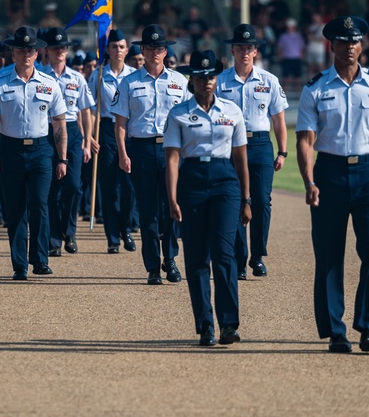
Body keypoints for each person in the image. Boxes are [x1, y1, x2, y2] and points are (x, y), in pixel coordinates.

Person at [296, 15, 369, 354]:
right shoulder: (316, 87)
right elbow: (306, 140)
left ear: (362, 45)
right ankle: (336, 330)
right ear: (332, 46)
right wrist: (309, 180)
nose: (350, 47)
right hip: (330, 172)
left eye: (355, 41)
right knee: (329, 253)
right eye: (344, 41)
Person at [166, 50, 250, 346]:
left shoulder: (232, 111)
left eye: (212, 76)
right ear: (193, 79)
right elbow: (173, 158)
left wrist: (247, 199)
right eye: (201, 77)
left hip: (225, 181)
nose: (207, 82)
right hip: (192, 181)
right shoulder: (178, 113)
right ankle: (205, 325)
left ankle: (229, 324)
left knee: (224, 254)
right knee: (197, 257)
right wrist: (173, 197)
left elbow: (241, 157)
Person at [0, 26, 67, 280]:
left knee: (40, 204)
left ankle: (40, 259)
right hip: (10, 150)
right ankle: (19, 264)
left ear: (37, 52)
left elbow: (60, 123)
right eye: (21, 49)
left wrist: (62, 157)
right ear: (13, 52)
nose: (25, 54)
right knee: (16, 208)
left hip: (41, 150)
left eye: (30, 50)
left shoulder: (49, 84)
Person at [114, 24, 190, 285]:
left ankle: (170, 258)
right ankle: (152, 266)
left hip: (171, 149)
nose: (155, 52)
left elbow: (189, 119)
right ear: (142, 50)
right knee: (147, 211)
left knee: (171, 206)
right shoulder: (129, 82)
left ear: (165, 50)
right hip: (142, 149)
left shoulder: (180, 81)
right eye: (150, 47)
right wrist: (123, 153)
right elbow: (121, 122)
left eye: (159, 47)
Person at [217, 24, 288, 279]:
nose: (245, 52)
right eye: (240, 48)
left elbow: (278, 120)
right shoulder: (221, 80)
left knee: (261, 202)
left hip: (259, 145)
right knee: (234, 201)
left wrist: (282, 152)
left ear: (255, 51)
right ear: (233, 50)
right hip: (229, 146)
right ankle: (239, 258)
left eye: (249, 48)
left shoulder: (269, 80)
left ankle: (257, 256)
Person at [41, 27, 94, 256]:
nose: (60, 51)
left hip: (72, 131)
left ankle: (69, 231)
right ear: (47, 50)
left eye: (63, 47)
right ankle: (54, 240)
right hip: (46, 131)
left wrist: (87, 140)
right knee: (51, 188)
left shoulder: (77, 78)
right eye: (55, 47)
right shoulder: (40, 76)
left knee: (73, 185)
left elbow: (85, 111)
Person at [88, 29, 138, 254]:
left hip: (130, 130)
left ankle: (125, 227)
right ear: (106, 50)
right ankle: (112, 238)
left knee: (129, 185)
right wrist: (89, 136)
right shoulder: (98, 75)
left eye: (121, 47)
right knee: (109, 186)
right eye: (114, 47)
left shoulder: (135, 75)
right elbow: (90, 108)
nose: (118, 50)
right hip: (106, 129)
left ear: (126, 50)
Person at [277, 19, 305, 93]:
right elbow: (280, 47)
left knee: (297, 76)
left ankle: (298, 91)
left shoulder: (298, 36)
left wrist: (302, 55)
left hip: (296, 57)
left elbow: (302, 47)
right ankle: (284, 91)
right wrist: (280, 55)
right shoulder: (283, 36)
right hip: (287, 57)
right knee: (286, 76)